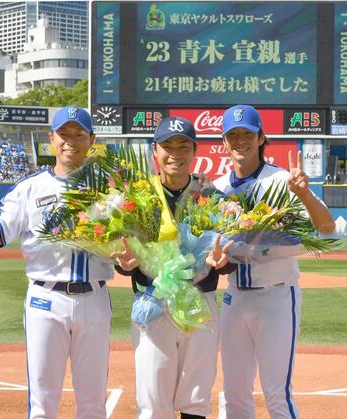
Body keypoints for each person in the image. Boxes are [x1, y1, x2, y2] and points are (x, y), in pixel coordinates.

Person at [0, 106, 114, 419]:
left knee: (93, 403)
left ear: (91, 138)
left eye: (79, 134)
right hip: (45, 299)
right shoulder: (31, 188)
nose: (71, 141)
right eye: (64, 134)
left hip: (94, 298)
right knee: (42, 404)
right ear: (51, 138)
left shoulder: (109, 188)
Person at [214, 105, 335, 418]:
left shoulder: (283, 181)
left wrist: (306, 195)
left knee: (277, 396)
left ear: (261, 137)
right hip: (234, 297)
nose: (240, 140)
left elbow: (326, 227)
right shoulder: (215, 189)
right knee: (235, 394)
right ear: (224, 141)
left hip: (277, 296)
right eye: (233, 135)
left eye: (247, 134)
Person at [113, 116, 235, 419]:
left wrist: (222, 264)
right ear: (155, 150)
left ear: (195, 150)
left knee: (196, 395)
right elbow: (126, 254)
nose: (175, 153)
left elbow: (224, 254)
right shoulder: (139, 196)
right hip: (153, 302)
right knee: (153, 400)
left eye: (183, 146)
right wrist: (125, 265)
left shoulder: (210, 197)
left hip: (200, 302)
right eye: (168, 146)